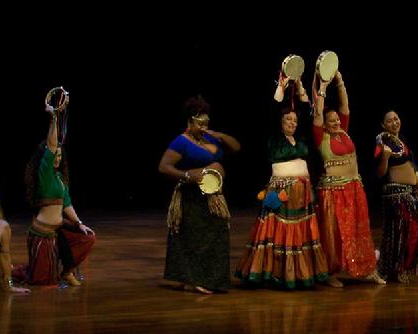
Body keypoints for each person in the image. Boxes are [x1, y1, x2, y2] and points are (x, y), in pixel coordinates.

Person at [235, 70, 329, 289]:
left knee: (300, 234)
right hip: (281, 190)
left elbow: (306, 112)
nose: (292, 122)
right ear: (280, 122)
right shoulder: (274, 138)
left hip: (302, 193)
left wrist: (301, 87)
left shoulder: (301, 138)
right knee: (277, 233)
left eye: (294, 120)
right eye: (287, 119)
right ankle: (274, 273)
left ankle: (299, 274)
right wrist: (283, 84)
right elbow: (273, 110)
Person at [158, 95, 241, 294]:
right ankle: (194, 279)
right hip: (192, 197)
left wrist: (219, 135)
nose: (203, 126)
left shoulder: (210, 137)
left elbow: (236, 147)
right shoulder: (181, 142)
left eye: (206, 122)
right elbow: (164, 167)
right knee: (195, 238)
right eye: (199, 122)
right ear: (189, 121)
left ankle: (209, 279)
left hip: (213, 196)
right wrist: (187, 175)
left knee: (216, 235)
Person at [312, 71, 385, 287]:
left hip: (354, 188)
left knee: (359, 230)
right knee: (333, 235)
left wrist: (340, 81)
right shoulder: (320, 136)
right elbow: (317, 111)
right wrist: (323, 85)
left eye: (336, 120)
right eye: (331, 120)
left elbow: (346, 107)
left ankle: (367, 270)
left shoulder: (344, 132)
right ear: (324, 124)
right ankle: (330, 273)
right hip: (332, 192)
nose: (335, 122)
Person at [18, 103, 96, 286]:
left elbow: (67, 205)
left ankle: (67, 271)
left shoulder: (60, 178)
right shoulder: (44, 174)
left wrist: (79, 223)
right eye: (55, 156)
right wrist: (53, 117)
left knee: (88, 237)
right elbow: (52, 145)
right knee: (44, 282)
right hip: (42, 235)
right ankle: (25, 270)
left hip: (58, 230)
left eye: (60, 157)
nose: (57, 159)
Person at [373, 110, 418, 283]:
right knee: (404, 232)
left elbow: (412, 165)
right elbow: (380, 174)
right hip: (396, 195)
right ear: (383, 125)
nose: (394, 122)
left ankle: (403, 267)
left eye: (396, 118)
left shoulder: (403, 140)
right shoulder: (382, 143)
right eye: (389, 121)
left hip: (411, 193)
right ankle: (397, 269)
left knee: (415, 231)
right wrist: (385, 157)